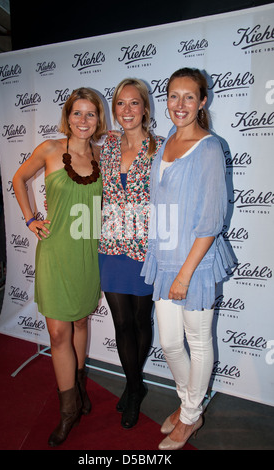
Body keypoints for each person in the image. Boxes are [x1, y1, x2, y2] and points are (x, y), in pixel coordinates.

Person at [141, 67, 235, 450]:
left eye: (189, 97)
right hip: (164, 258)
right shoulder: (164, 144)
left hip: (194, 263)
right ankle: (187, 404)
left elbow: (211, 220)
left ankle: (192, 416)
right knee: (168, 343)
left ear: (202, 102)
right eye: (173, 96)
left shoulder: (210, 147)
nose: (180, 105)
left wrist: (184, 273)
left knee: (197, 343)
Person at [13, 87, 107, 447]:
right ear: (67, 116)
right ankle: (68, 410)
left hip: (88, 252)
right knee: (57, 334)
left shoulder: (103, 155)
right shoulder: (50, 150)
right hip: (55, 251)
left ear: (99, 119)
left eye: (91, 114)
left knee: (81, 320)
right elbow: (19, 179)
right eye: (77, 113)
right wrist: (30, 219)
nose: (83, 120)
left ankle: (81, 391)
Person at [98, 78, 164, 429]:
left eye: (134, 103)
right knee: (120, 321)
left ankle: (134, 386)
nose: (127, 110)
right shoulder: (107, 145)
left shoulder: (161, 148)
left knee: (141, 320)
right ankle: (135, 386)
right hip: (110, 244)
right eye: (120, 103)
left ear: (145, 108)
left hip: (144, 247)